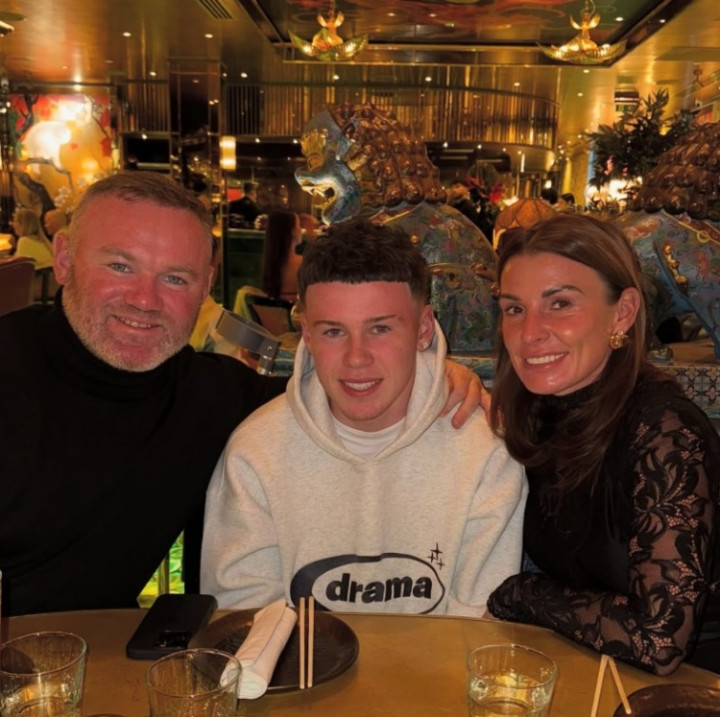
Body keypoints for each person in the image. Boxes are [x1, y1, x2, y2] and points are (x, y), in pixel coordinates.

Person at [0, 171, 485, 616]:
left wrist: (434, 373)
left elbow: (343, 388)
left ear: (206, 287)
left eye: (175, 278)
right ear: (64, 258)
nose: (144, 300)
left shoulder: (215, 397)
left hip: (97, 653)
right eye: (121, 266)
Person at [201, 219, 526, 615]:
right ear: (306, 334)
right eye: (333, 332)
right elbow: (242, 622)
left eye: (381, 329)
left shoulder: (486, 452)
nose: (357, 359)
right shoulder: (254, 452)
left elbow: (481, 625)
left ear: (424, 329)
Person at [485, 213, 720, 675]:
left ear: (623, 312)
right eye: (514, 309)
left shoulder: (665, 431)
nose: (529, 332)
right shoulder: (538, 409)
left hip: (696, 684)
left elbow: (659, 640)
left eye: (560, 304)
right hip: (590, 667)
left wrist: (518, 593)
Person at [261, 209, 303, 303]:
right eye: (299, 225)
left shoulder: (270, 263)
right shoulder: (302, 264)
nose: (301, 229)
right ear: (292, 231)